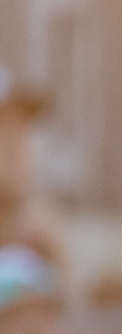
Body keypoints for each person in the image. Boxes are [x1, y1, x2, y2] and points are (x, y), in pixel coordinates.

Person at [0, 67, 63, 268]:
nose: (18, 148)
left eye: (23, 129)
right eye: (5, 131)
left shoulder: (40, 225)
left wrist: (62, 266)